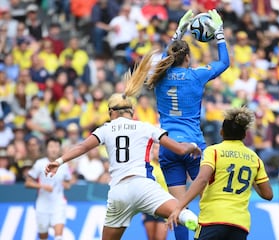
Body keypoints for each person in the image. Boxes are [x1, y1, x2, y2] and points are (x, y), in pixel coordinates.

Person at [44, 56, 202, 240]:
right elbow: (180, 149)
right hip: (144, 186)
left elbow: (82, 147)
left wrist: (59, 161)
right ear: (131, 112)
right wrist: (192, 146)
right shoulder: (145, 126)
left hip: (118, 191)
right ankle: (193, 222)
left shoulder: (105, 129)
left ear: (112, 112)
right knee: (180, 211)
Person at [138, 9, 230, 239]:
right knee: (211, 200)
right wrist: (218, 33)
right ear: (188, 57)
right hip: (193, 147)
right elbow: (224, 62)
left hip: (168, 147)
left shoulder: (158, 75)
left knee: (179, 208)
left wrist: (177, 33)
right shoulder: (197, 75)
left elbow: (162, 60)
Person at [167, 107, 273, 240]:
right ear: (245, 135)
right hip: (240, 224)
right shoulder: (255, 159)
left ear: (221, 132)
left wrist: (179, 207)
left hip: (213, 218)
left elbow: (202, 180)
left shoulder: (214, 151)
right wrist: (251, 178)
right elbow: (268, 195)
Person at [24, 137, 72, 240]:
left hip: (58, 204)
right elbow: (27, 183)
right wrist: (42, 186)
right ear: (46, 148)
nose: (54, 149)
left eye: (56, 146)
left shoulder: (64, 165)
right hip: (42, 205)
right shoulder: (40, 164)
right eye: (51, 146)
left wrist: (65, 184)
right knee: (43, 236)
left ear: (59, 148)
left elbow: (68, 183)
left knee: (59, 236)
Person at [142, 143, 168, 240]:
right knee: (151, 238)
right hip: (149, 206)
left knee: (160, 238)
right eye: (156, 148)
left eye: (160, 149)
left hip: (165, 205)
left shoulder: (168, 166)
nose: (158, 151)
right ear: (152, 150)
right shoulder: (147, 166)